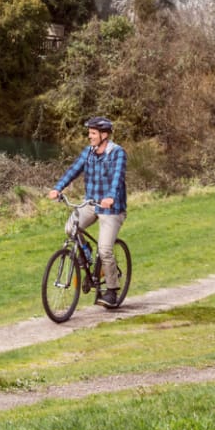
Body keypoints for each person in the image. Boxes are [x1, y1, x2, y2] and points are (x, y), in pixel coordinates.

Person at [47, 116, 128, 308]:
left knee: (106, 249)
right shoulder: (89, 152)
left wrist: (110, 197)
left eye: (93, 133)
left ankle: (111, 291)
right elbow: (73, 170)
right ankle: (87, 254)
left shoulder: (117, 153)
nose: (89, 137)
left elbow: (117, 179)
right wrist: (58, 188)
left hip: (112, 208)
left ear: (104, 135)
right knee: (70, 229)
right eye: (89, 133)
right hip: (90, 203)